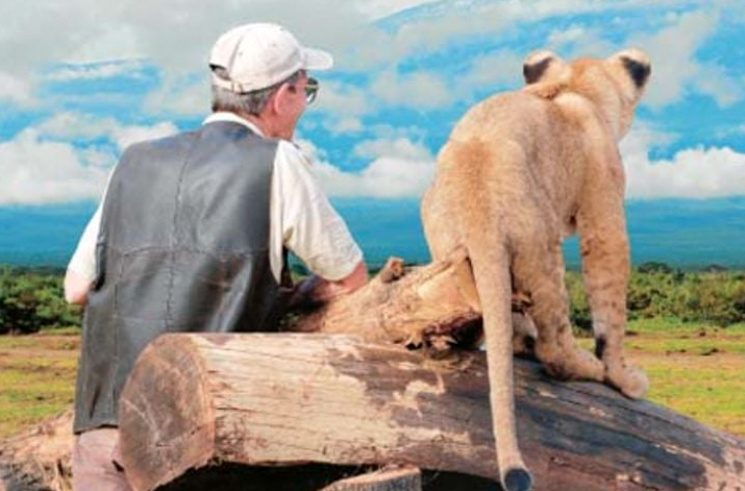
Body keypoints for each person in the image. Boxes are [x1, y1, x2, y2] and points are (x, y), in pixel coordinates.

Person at [64, 22, 367, 490]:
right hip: (203, 440)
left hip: (107, 431)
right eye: (307, 90)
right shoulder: (277, 162)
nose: (305, 104)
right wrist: (299, 293)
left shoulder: (134, 160)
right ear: (281, 96)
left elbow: (77, 289)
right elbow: (350, 279)